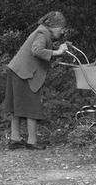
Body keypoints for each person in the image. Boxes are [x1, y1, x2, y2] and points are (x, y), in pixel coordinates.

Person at [4, 11, 69, 150]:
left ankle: (15, 139)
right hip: (24, 72)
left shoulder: (43, 32)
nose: (63, 32)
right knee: (32, 104)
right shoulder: (42, 33)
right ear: (54, 26)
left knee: (17, 106)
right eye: (62, 28)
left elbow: (43, 49)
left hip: (17, 70)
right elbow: (37, 50)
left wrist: (57, 49)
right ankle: (32, 141)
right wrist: (57, 52)